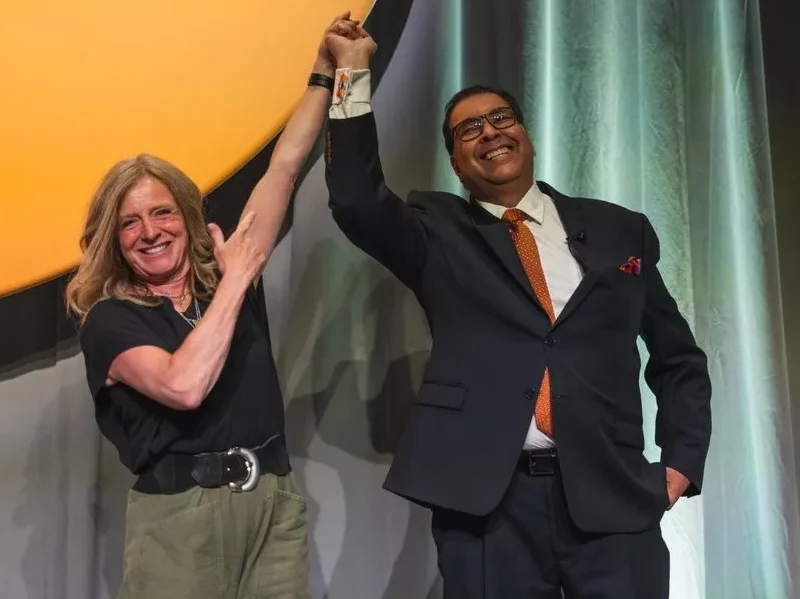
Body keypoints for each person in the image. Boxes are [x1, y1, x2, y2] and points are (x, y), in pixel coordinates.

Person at [323, 27, 712, 599]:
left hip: (612, 493)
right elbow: (355, 197)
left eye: (502, 119)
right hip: (489, 507)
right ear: (455, 160)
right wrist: (351, 71)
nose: (489, 133)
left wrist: (681, 461)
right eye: (468, 130)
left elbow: (677, 356)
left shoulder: (618, 228)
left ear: (527, 137)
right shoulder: (437, 232)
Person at [66, 13, 361, 598]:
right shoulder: (110, 320)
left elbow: (283, 166)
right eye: (130, 223)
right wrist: (237, 281)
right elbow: (184, 387)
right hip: (180, 519)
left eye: (162, 212)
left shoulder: (223, 277)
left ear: (186, 217)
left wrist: (323, 75)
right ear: (113, 239)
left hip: (272, 507)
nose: (150, 231)